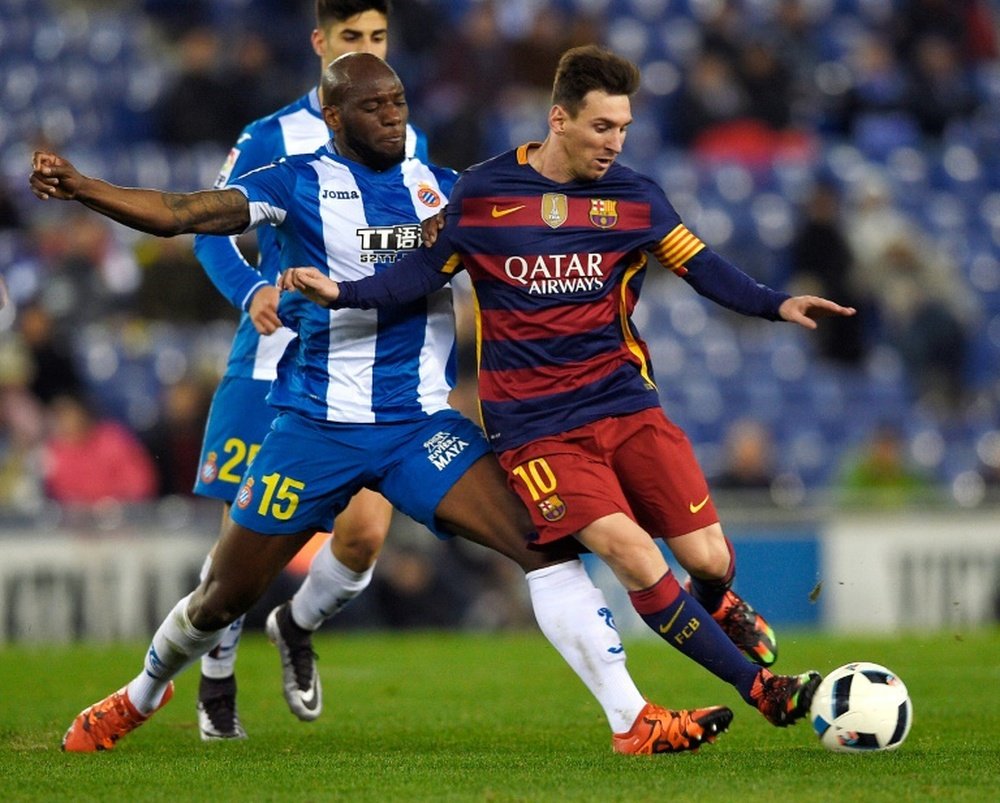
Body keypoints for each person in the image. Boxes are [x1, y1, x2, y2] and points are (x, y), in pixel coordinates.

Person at [31, 53, 744, 757]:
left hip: (418, 427)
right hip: (315, 425)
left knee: (549, 546)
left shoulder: (445, 191)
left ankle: (633, 719)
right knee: (221, 596)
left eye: (399, 100)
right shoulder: (296, 179)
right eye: (374, 106)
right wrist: (84, 186)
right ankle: (141, 693)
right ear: (335, 118)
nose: (394, 114)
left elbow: (543, 225)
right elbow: (183, 212)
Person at [283, 46, 859, 727]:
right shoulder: (483, 194)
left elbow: (701, 265)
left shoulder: (635, 199)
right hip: (537, 429)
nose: (614, 143)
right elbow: (418, 276)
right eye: (601, 128)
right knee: (633, 553)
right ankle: (764, 690)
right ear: (559, 119)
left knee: (708, 558)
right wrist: (342, 291)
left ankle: (721, 602)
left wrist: (775, 303)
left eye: (623, 128)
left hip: (625, 402)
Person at [188, 0, 426, 741]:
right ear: (322, 44)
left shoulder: (404, 135)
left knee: (362, 537)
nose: (366, 49)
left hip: (359, 367)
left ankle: (296, 625)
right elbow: (206, 229)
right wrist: (253, 289)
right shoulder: (270, 136)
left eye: (378, 37)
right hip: (270, 361)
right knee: (243, 538)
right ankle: (216, 679)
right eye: (351, 37)